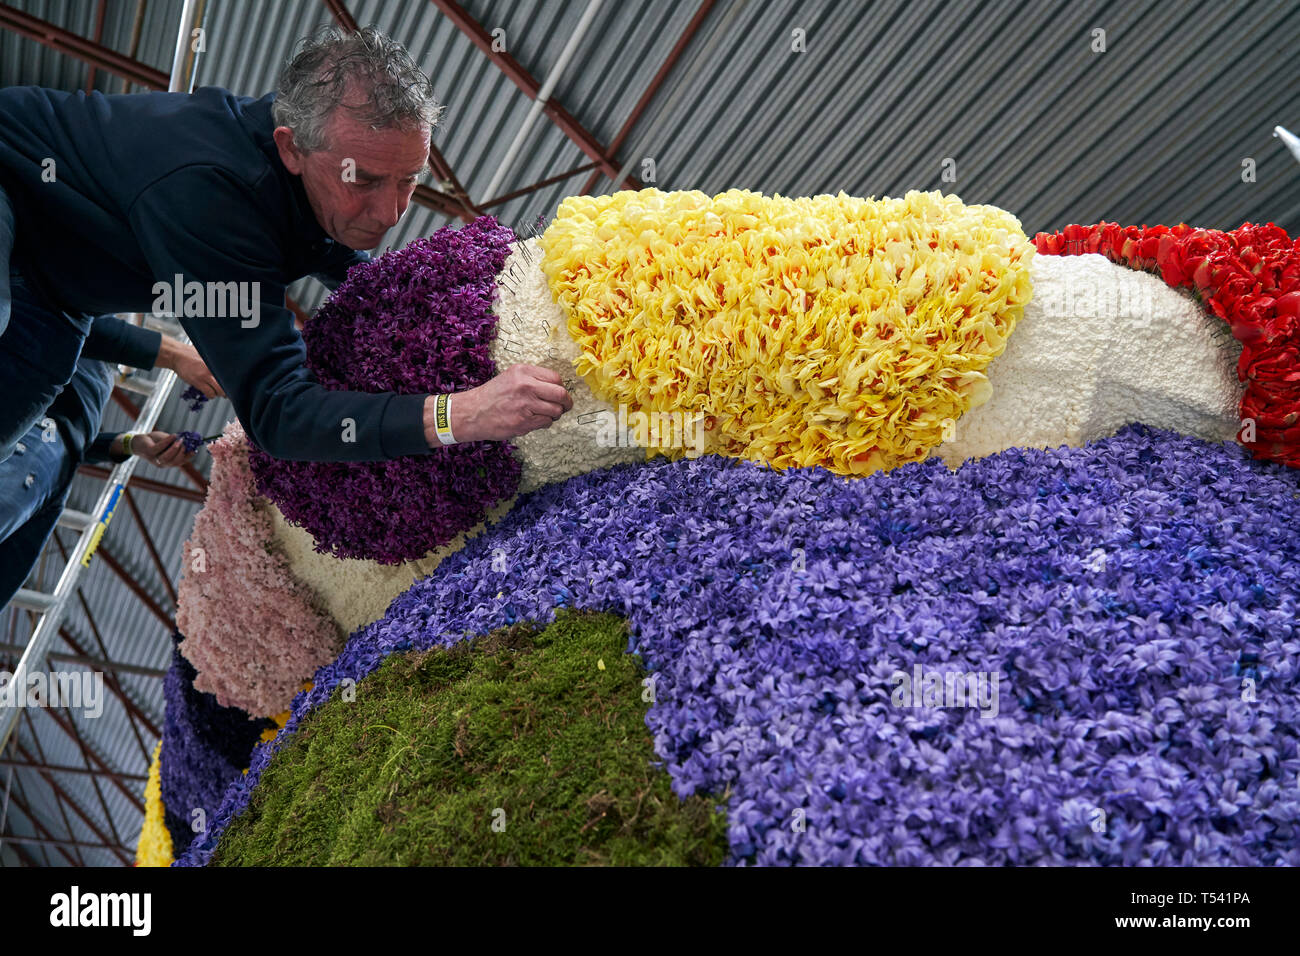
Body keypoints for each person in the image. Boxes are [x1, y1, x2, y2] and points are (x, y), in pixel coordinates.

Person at [0, 25, 571, 468]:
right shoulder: (209, 195)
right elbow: (275, 412)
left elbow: (366, 285)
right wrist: (463, 413)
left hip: (57, 291)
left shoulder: (309, 176)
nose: (392, 213)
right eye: (364, 180)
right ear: (291, 148)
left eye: (410, 180)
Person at [0, 316, 209, 608]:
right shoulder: (81, 306)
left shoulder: (98, 371)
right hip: (41, 431)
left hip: (55, 456)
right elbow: (68, 308)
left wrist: (131, 444)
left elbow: (75, 438)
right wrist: (173, 353)